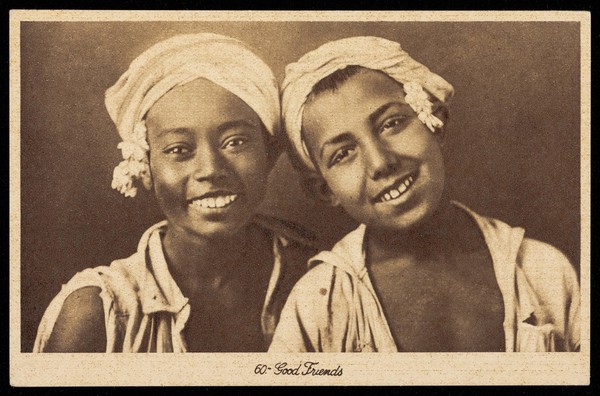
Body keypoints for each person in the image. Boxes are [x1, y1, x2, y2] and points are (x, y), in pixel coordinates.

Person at [268, 36, 580, 352]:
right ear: (324, 190)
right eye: (343, 153)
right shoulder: (319, 304)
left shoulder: (543, 272)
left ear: (436, 121)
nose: (381, 162)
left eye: (391, 123)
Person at [33, 33, 316, 353]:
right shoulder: (97, 314)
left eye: (235, 142)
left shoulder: (320, 279)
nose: (210, 169)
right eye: (179, 149)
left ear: (270, 152)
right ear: (144, 167)